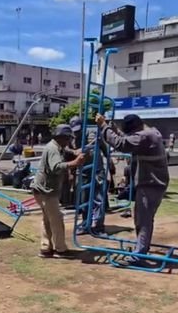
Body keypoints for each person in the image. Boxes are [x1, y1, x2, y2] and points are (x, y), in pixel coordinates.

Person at [97, 113, 171, 264]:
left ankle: (139, 255)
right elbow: (127, 139)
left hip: (151, 184)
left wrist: (103, 126)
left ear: (136, 128)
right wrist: (114, 129)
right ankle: (142, 247)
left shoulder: (144, 136)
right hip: (153, 182)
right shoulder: (149, 132)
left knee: (143, 220)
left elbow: (121, 144)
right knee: (143, 218)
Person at [30, 125, 85, 258]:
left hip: (42, 190)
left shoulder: (55, 146)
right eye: (68, 139)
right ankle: (60, 249)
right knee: (56, 219)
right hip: (46, 191)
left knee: (47, 219)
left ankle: (45, 248)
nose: (69, 142)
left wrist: (73, 152)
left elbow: (65, 150)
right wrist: (75, 162)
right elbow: (56, 167)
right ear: (63, 138)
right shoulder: (53, 149)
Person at [70, 116, 114, 236]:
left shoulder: (94, 133)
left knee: (99, 199)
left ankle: (99, 227)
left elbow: (104, 149)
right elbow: (69, 152)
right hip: (83, 171)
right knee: (84, 200)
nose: (77, 132)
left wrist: (110, 163)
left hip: (97, 170)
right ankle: (85, 225)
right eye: (75, 130)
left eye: (79, 130)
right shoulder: (72, 137)